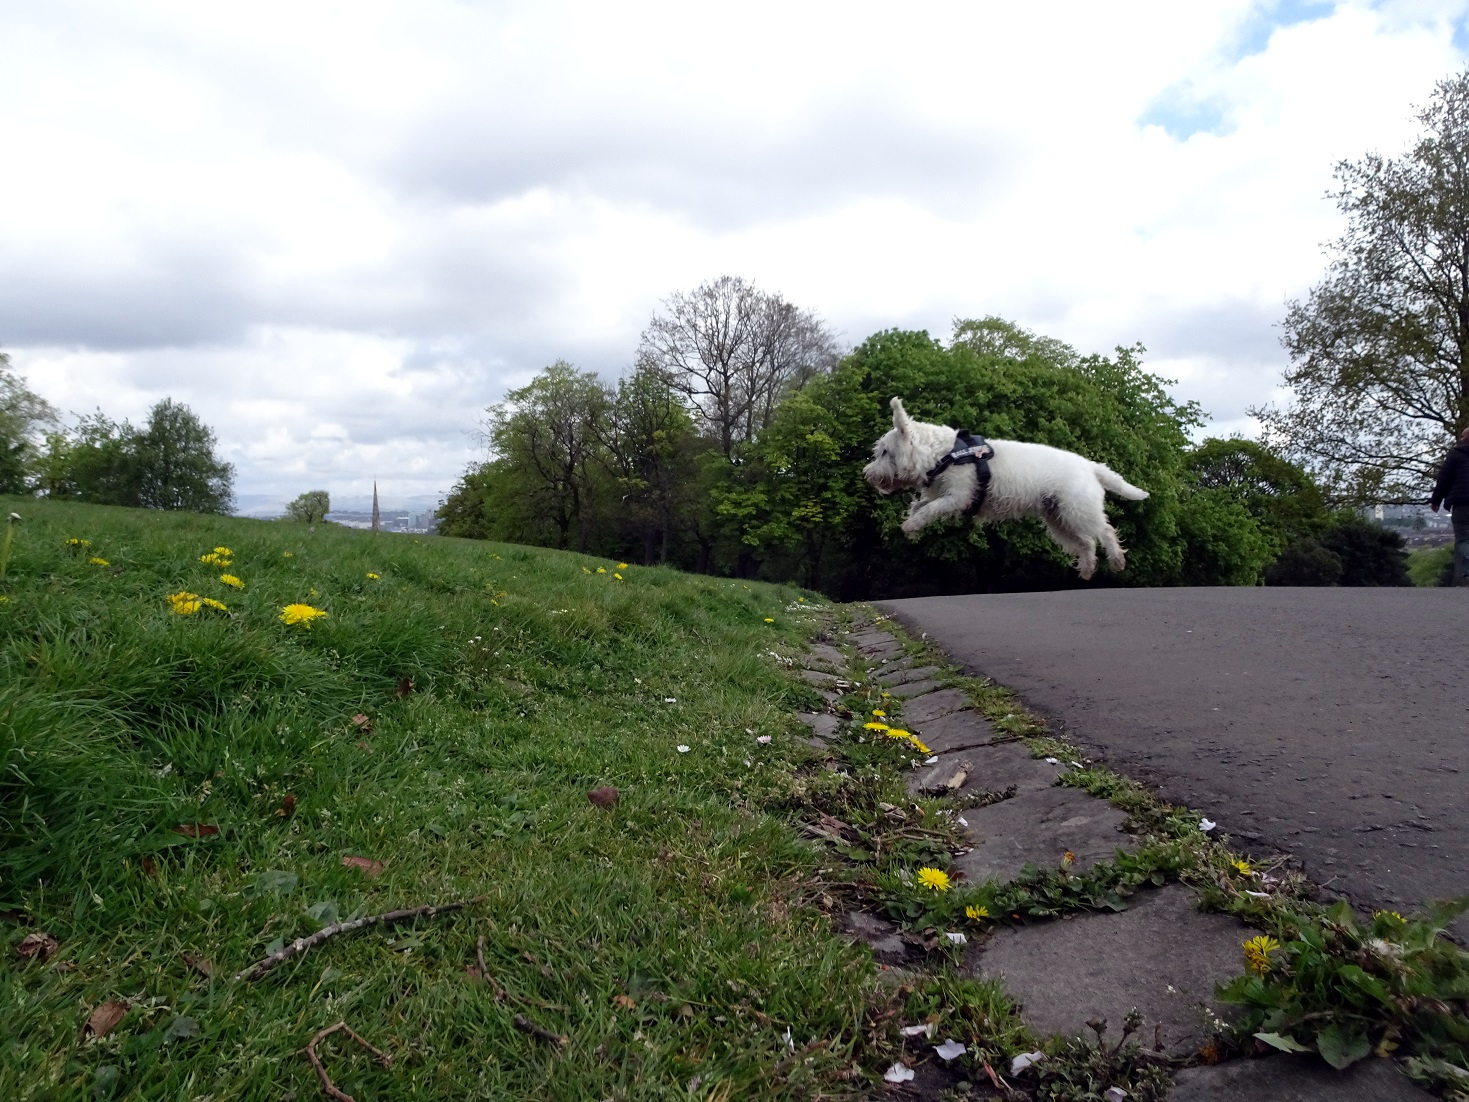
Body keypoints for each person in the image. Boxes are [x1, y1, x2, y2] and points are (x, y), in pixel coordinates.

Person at [1430, 426, 1469, 585]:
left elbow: (1444, 478)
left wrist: (1436, 500)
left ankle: (1463, 576)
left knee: (1463, 540)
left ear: (1465, 439)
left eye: (1462, 436)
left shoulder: (1456, 455)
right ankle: (1463, 575)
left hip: (1461, 504)